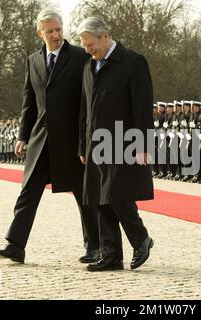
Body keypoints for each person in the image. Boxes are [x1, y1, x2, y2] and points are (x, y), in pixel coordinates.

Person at [0, 9, 99, 264]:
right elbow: (29, 103)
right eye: (49, 31)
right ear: (40, 33)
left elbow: (87, 100)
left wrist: (86, 140)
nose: (56, 34)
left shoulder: (81, 57)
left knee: (83, 196)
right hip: (40, 140)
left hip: (71, 141)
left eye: (58, 29)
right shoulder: (33, 61)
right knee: (28, 192)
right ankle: (15, 245)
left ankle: (94, 246)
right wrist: (22, 136)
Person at [77, 17, 154, 272]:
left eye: (91, 44)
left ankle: (140, 238)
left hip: (123, 140)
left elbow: (142, 106)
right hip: (95, 144)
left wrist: (143, 143)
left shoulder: (133, 62)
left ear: (106, 36)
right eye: (85, 46)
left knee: (118, 196)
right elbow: (84, 111)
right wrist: (82, 145)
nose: (88, 50)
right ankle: (111, 255)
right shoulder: (89, 67)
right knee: (100, 198)